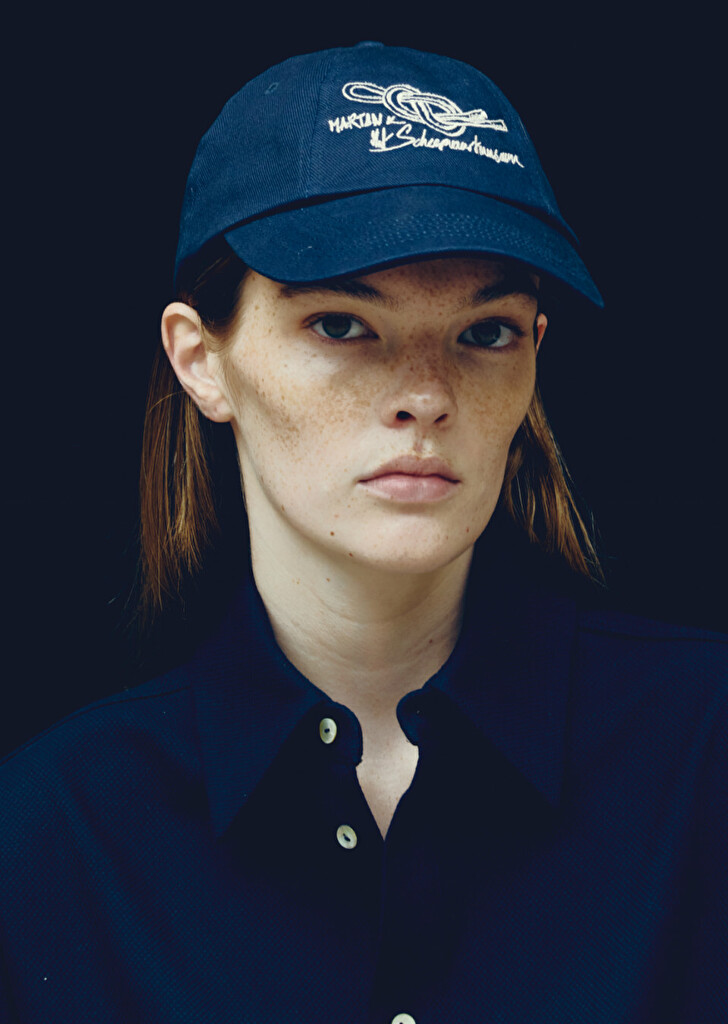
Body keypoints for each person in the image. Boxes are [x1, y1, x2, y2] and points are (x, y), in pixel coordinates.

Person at [1, 42, 725, 1024]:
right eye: (342, 324)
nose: (425, 394)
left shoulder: (703, 756)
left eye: (485, 331)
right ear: (200, 358)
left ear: (534, 354)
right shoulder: (49, 838)